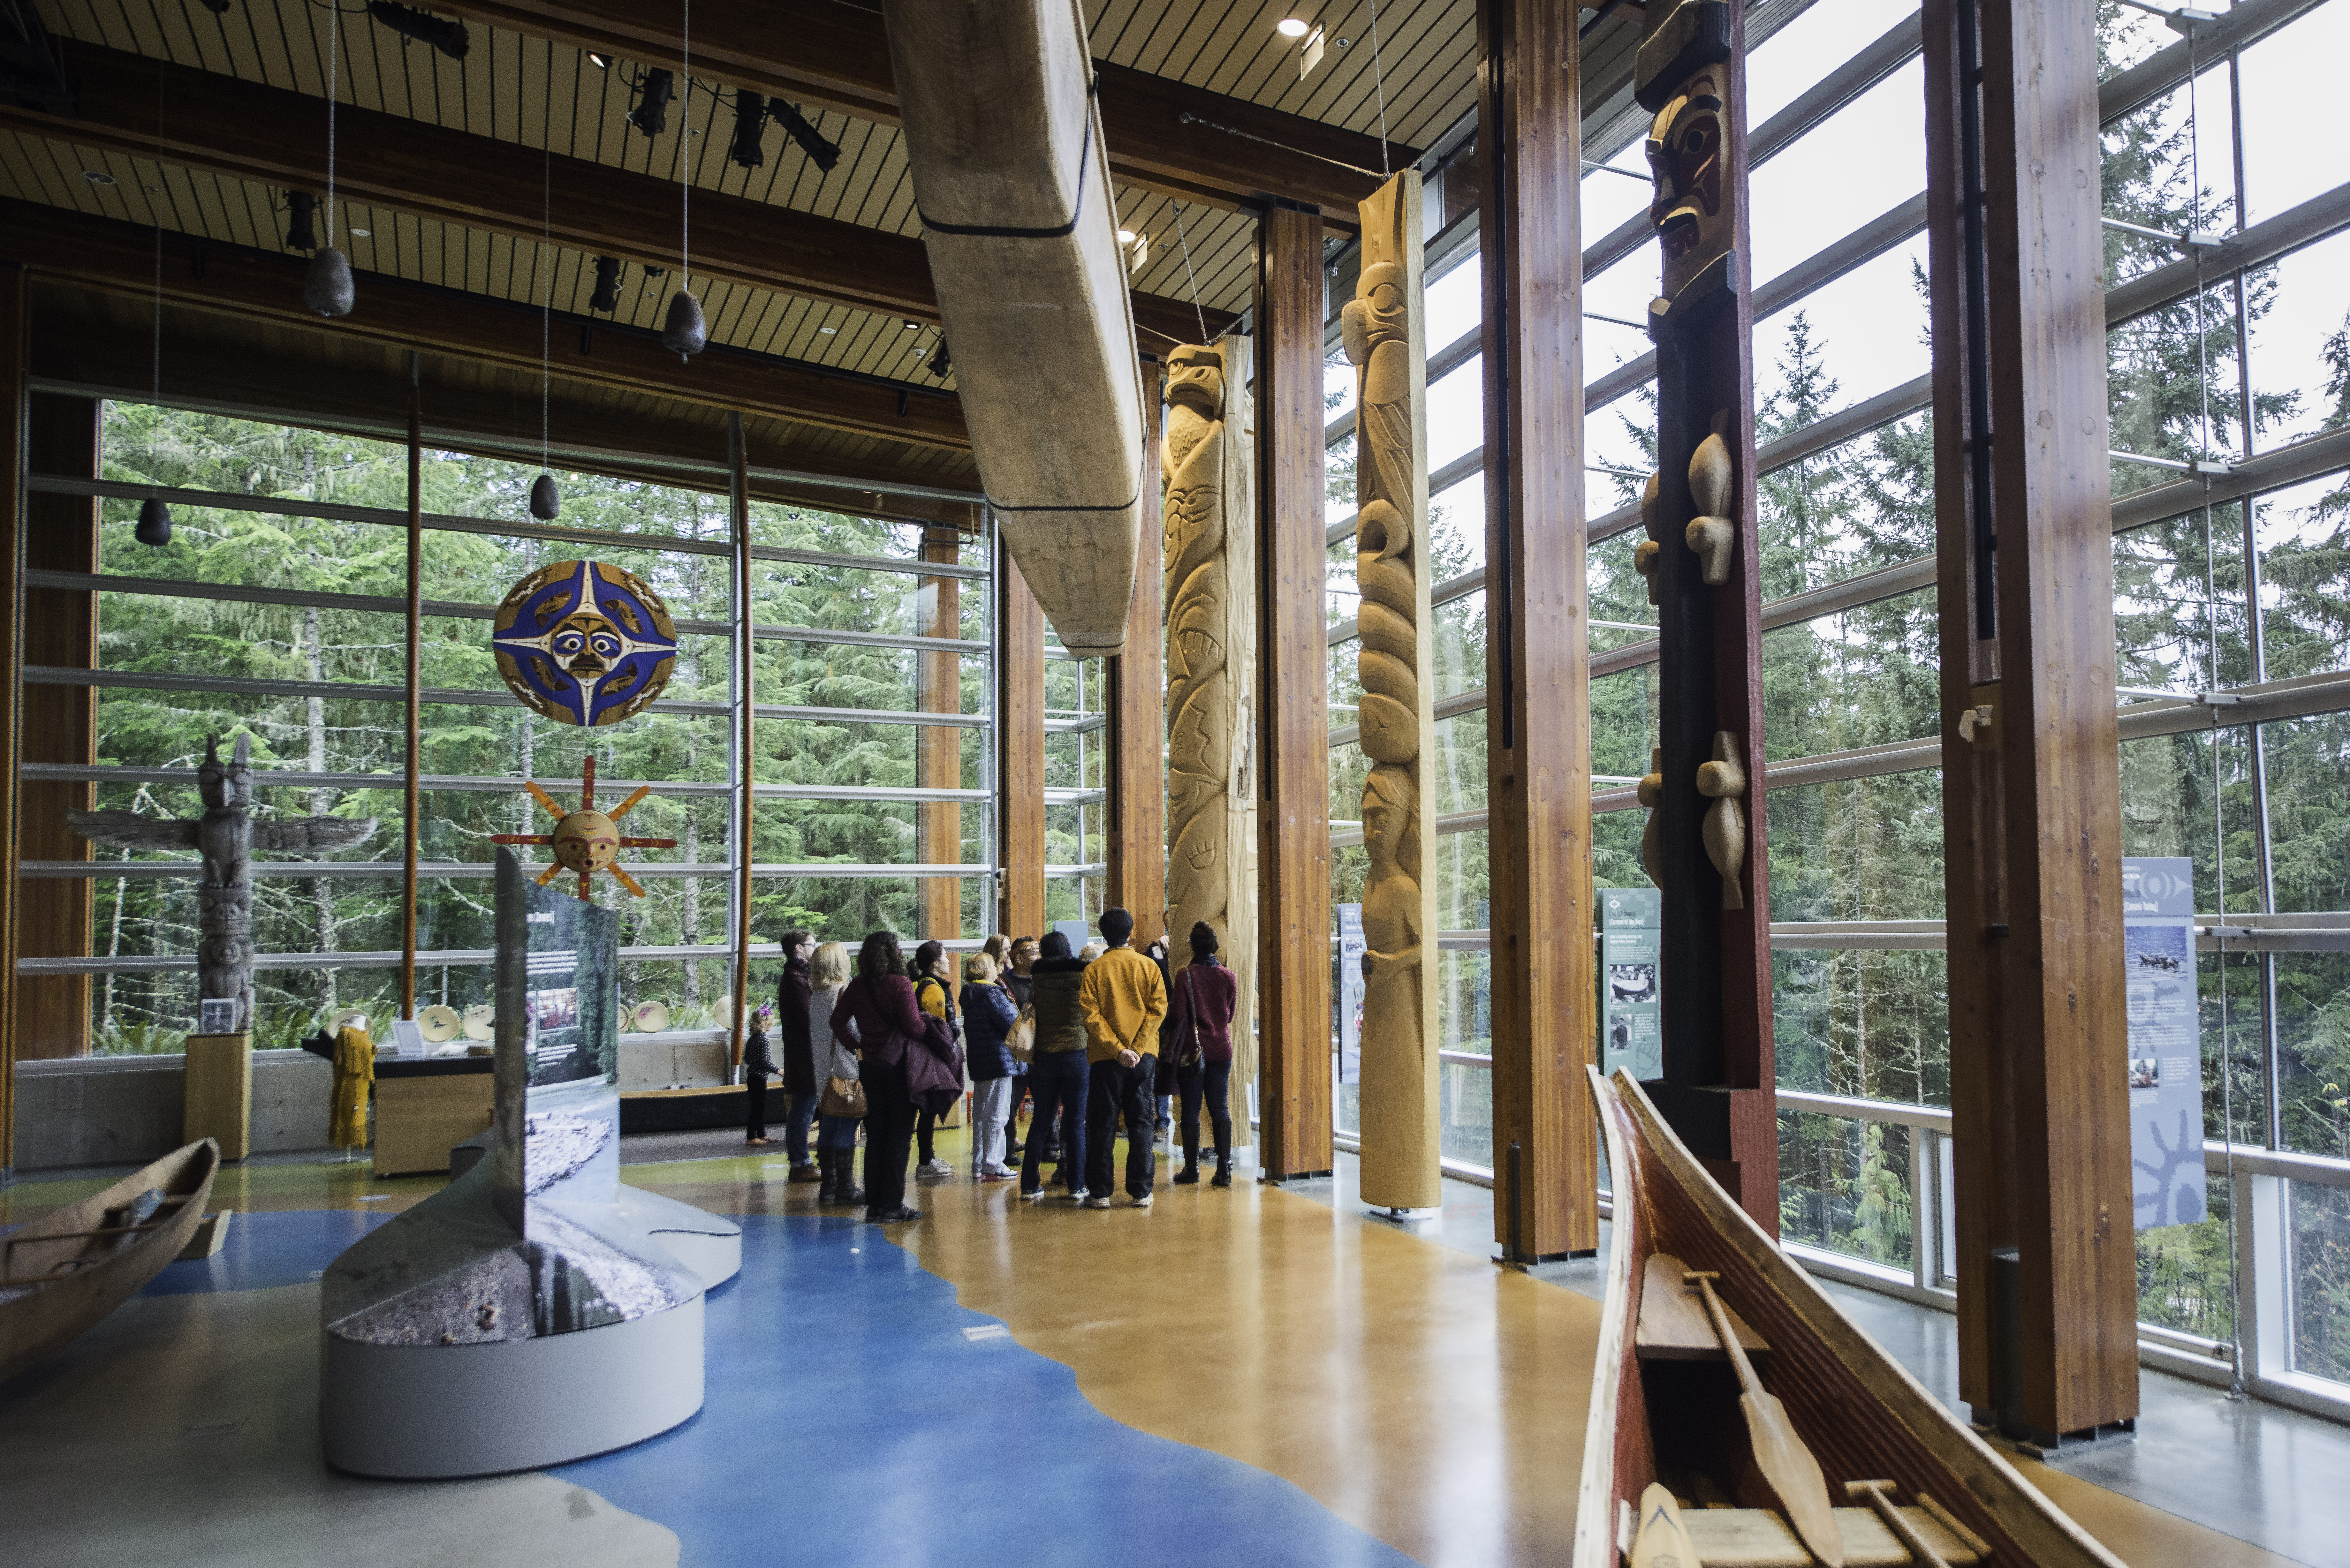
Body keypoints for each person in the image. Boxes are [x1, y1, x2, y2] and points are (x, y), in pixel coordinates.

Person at [831, 931, 929, 1223]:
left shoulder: (857, 987)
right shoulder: (900, 985)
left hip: (870, 1068)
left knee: (876, 1136)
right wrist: (930, 1026)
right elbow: (914, 1027)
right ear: (894, 953)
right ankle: (893, 1206)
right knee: (899, 1136)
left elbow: (837, 1021)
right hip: (899, 1069)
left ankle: (874, 1205)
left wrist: (857, 1046)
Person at [1078, 908, 1168, 1209]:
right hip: (1144, 1057)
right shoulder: (1149, 966)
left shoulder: (1094, 970)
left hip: (1105, 1057)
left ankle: (1100, 1192)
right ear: (1131, 934)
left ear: (1104, 935)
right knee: (1141, 1122)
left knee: (1102, 1123)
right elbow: (1158, 1010)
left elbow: (1091, 1016)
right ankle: (1141, 1191)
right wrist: (1137, 1049)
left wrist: (1118, 1049)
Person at [1166, 921, 1240, 1187]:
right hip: (1222, 1049)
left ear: (1192, 946)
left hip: (1193, 1051)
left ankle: (1192, 1168)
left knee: (1191, 1110)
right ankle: (1224, 1168)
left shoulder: (1185, 975)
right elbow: (1229, 1015)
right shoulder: (1228, 976)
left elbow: (1178, 1014)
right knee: (1220, 1108)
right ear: (1215, 945)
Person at [1019, 930, 1091, 1202]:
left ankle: (1029, 1186)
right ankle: (1077, 1185)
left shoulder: (1037, 980)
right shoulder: (1083, 976)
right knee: (1076, 1123)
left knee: (1041, 1121)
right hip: (1077, 1054)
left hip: (1045, 1057)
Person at [808, 941, 863, 1206]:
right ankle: (846, 1187)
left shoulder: (816, 996)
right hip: (846, 1069)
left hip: (824, 1071)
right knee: (848, 1124)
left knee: (829, 1124)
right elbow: (855, 1032)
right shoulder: (842, 993)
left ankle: (828, 1185)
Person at [960, 952, 1020, 1180]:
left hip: (980, 1061)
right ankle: (993, 1164)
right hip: (999, 1060)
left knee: (981, 1115)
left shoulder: (971, 995)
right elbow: (1013, 1024)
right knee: (998, 1114)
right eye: (994, 966)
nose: (998, 969)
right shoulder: (992, 994)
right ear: (987, 970)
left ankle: (979, 1163)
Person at [908, 940, 959, 1179]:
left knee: (926, 1108)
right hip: (932, 1055)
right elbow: (939, 1028)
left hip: (922, 1055)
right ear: (935, 963)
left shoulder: (918, 983)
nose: (949, 960)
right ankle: (926, 1161)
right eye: (945, 956)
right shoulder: (933, 989)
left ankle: (928, 1156)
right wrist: (948, 1051)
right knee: (928, 1108)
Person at [774, 930, 820, 1181]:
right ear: (799, 948)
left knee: (803, 1108)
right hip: (804, 1054)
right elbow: (808, 1017)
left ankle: (800, 1161)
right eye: (812, 944)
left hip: (802, 1053)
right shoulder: (796, 980)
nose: (816, 948)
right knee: (804, 1108)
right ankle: (801, 1162)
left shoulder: (799, 976)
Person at [1145, 935, 1175, 1134]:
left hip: (1176, 1022)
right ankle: (1158, 1120)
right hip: (1158, 1020)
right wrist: (1155, 945)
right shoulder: (1157, 951)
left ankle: (1163, 1121)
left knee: (1166, 1070)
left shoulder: (1186, 952)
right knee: (1157, 1069)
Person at [741, 1003, 776, 1146]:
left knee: (759, 1107)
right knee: (757, 1108)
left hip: (752, 1077)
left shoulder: (753, 1039)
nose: (772, 1025)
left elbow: (747, 1059)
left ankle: (762, 1133)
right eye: (771, 1022)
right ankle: (751, 1136)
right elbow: (765, 1062)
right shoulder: (763, 1039)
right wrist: (778, 1070)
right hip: (760, 1078)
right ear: (765, 1023)